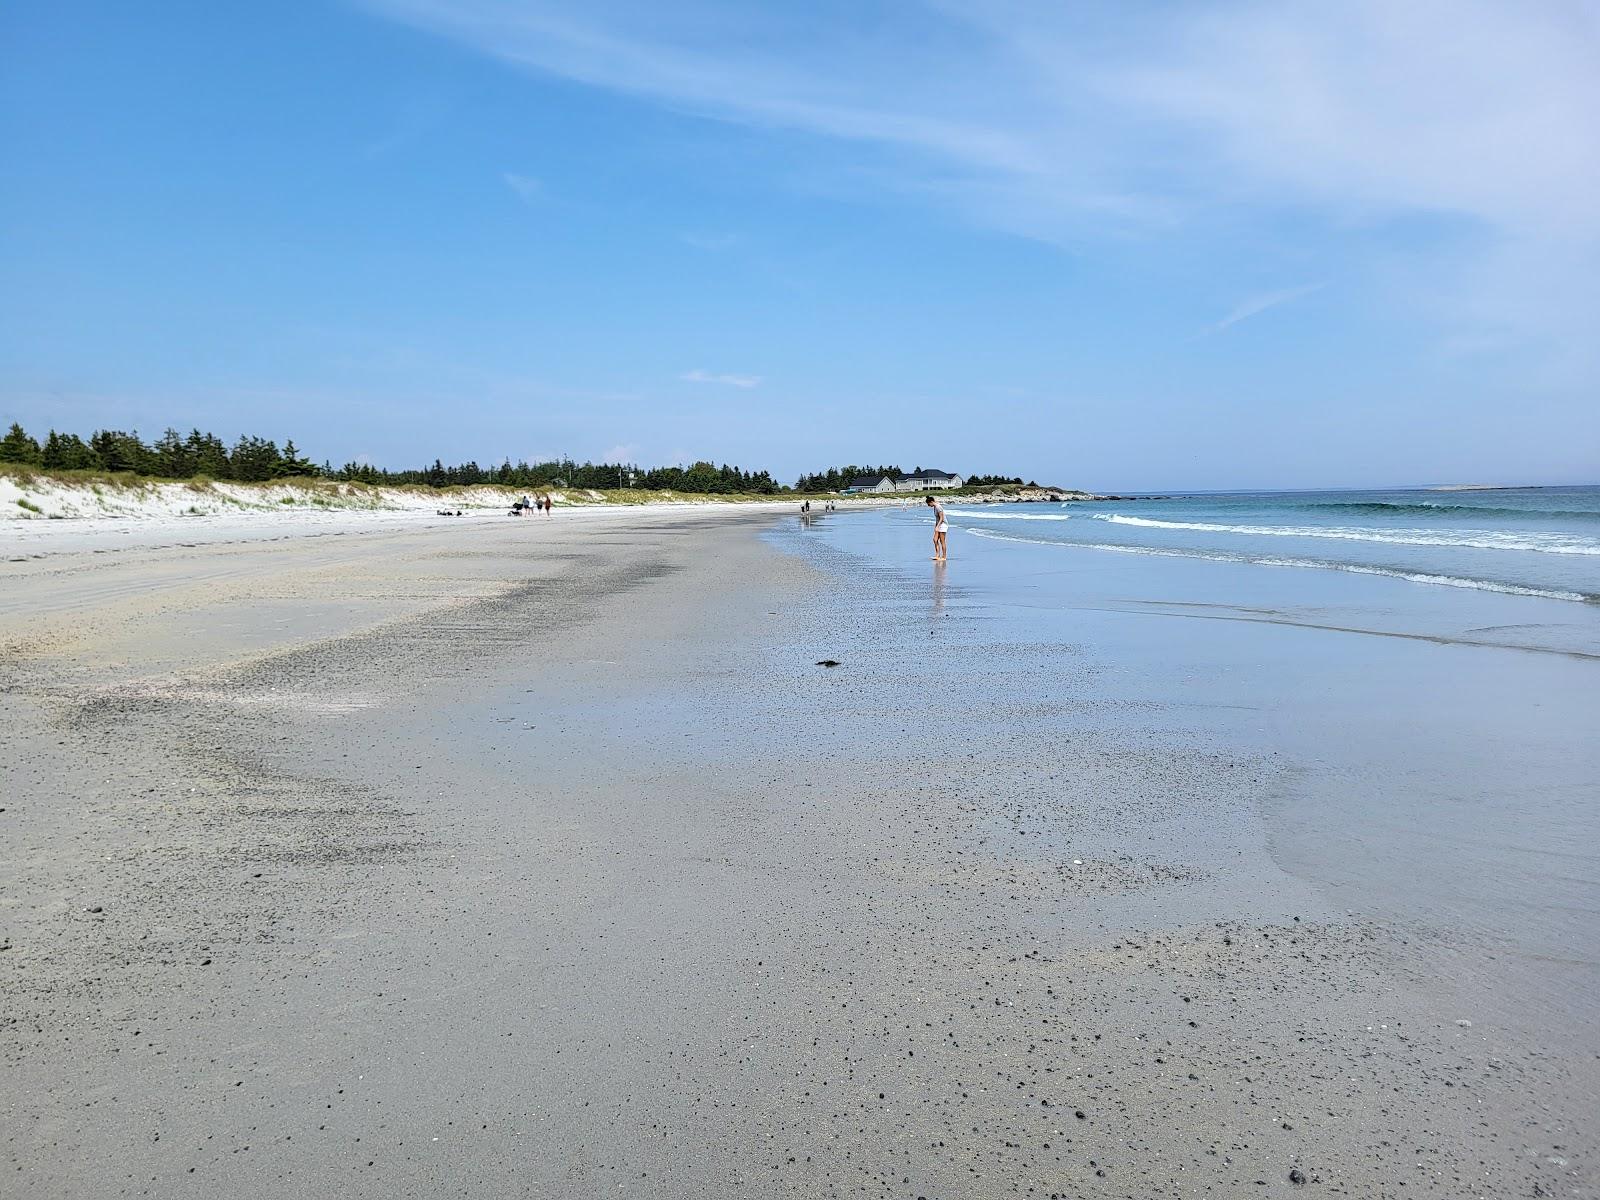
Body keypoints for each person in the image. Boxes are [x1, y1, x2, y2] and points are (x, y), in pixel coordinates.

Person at [926, 495, 948, 561]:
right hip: (938, 524)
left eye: (928, 504)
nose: (928, 505)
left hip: (943, 524)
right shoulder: (935, 507)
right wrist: (935, 526)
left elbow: (942, 518)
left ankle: (944, 557)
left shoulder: (938, 507)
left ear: (931, 502)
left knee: (942, 541)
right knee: (935, 540)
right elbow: (937, 519)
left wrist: (938, 526)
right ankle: (937, 555)